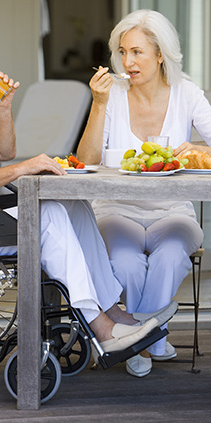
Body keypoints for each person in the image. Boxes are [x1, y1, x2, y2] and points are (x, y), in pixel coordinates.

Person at [0, 14, 176, 361]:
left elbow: (2, 150)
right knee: (47, 214)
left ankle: (113, 311)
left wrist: (2, 108)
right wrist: (21, 170)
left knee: (74, 206)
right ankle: (101, 328)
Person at [77, 9, 206, 377]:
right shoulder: (112, 95)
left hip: (173, 211)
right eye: (122, 52)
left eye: (137, 52)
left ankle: (139, 344)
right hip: (117, 209)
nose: (127, 61)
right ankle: (153, 340)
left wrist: (194, 150)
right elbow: (86, 161)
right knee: (127, 263)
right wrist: (98, 104)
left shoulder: (186, 94)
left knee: (168, 259)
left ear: (160, 54)